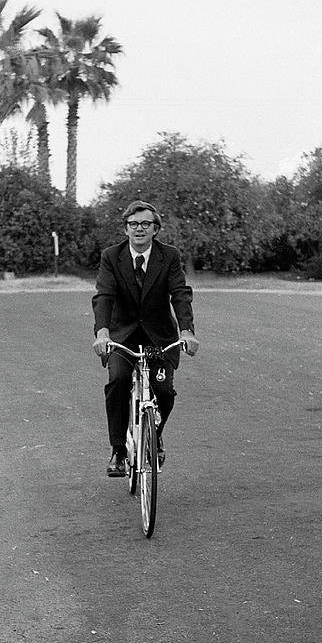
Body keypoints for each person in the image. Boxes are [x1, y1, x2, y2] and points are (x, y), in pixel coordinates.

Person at [92, 200, 199, 476]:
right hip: (122, 335)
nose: (139, 229)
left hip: (158, 337)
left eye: (145, 224)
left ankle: (154, 434)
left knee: (164, 392)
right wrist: (102, 332)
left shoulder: (169, 256)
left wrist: (186, 331)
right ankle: (118, 450)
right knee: (118, 380)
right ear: (126, 229)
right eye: (133, 224)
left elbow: (180, 294)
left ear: (155, 229)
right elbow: (104, 295)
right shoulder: (111, 256)